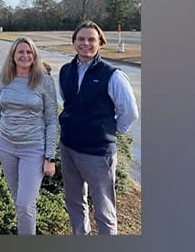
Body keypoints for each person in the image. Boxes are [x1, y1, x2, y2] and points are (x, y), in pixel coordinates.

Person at [58, 21, 139, 235]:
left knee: (104, 211)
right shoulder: (66, 71)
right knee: (74, 202)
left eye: (91, 39)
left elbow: (129, 112)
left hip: (97, 154)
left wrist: (108, 133)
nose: (85, 43)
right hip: (69, 148)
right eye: (81, 39)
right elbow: (68, 102)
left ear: (100, 43)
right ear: (74, 42)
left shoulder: (112, 75)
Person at [0, 36, 59, 235]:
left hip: (33, 149)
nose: (25, 55)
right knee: (19, 200)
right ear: (13, 55)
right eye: (21, 52)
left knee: (25, 203)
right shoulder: (4, 78)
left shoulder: (44, 81)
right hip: (6, 146)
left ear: (34, 55)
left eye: (29, 52)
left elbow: (52, 120)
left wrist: (50, 157)